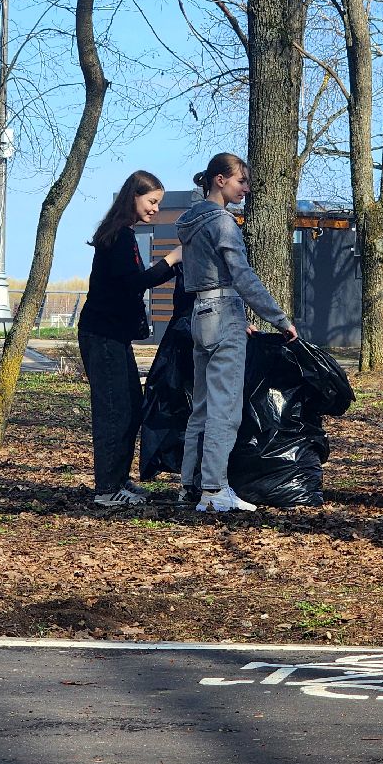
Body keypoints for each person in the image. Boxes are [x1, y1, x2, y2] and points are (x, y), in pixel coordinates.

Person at [176, 153, 297, 513]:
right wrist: (279, 319)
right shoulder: (223, 223)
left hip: (199, 314)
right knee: (225, 408)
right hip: (224, 311)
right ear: (219, 180)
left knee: (200, 406)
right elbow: (243, 276)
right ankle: (214, 490)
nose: (245, 188)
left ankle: (189, 485)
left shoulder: (190, 223)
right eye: (240, 181)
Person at [77, 171, 182, 508]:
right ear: (133, 197)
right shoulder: (119, 237)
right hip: (102, 335)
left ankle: (119, 479)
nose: (155, 209)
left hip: (113, 336)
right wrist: (174, 258)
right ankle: (107, 489)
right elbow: (136, 283)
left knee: (130, 407)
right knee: (114, 411)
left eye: (158, 204)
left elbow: (135, 281)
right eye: (152, 202)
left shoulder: (124, 236)